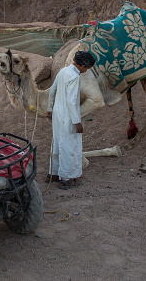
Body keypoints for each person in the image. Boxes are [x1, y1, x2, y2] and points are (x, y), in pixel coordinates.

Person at [46, 51, 96, 190]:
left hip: (57, 112)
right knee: (68, 145)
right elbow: (71, 101)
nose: (86, 71)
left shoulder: (63, 71)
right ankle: (66, 178)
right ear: (81, 65)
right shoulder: (74, 76)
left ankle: (53, 173)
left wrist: (50, 108)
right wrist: (77, 122)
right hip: (67, 115)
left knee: (57, 141)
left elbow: (52, 90)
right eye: (86, 68)